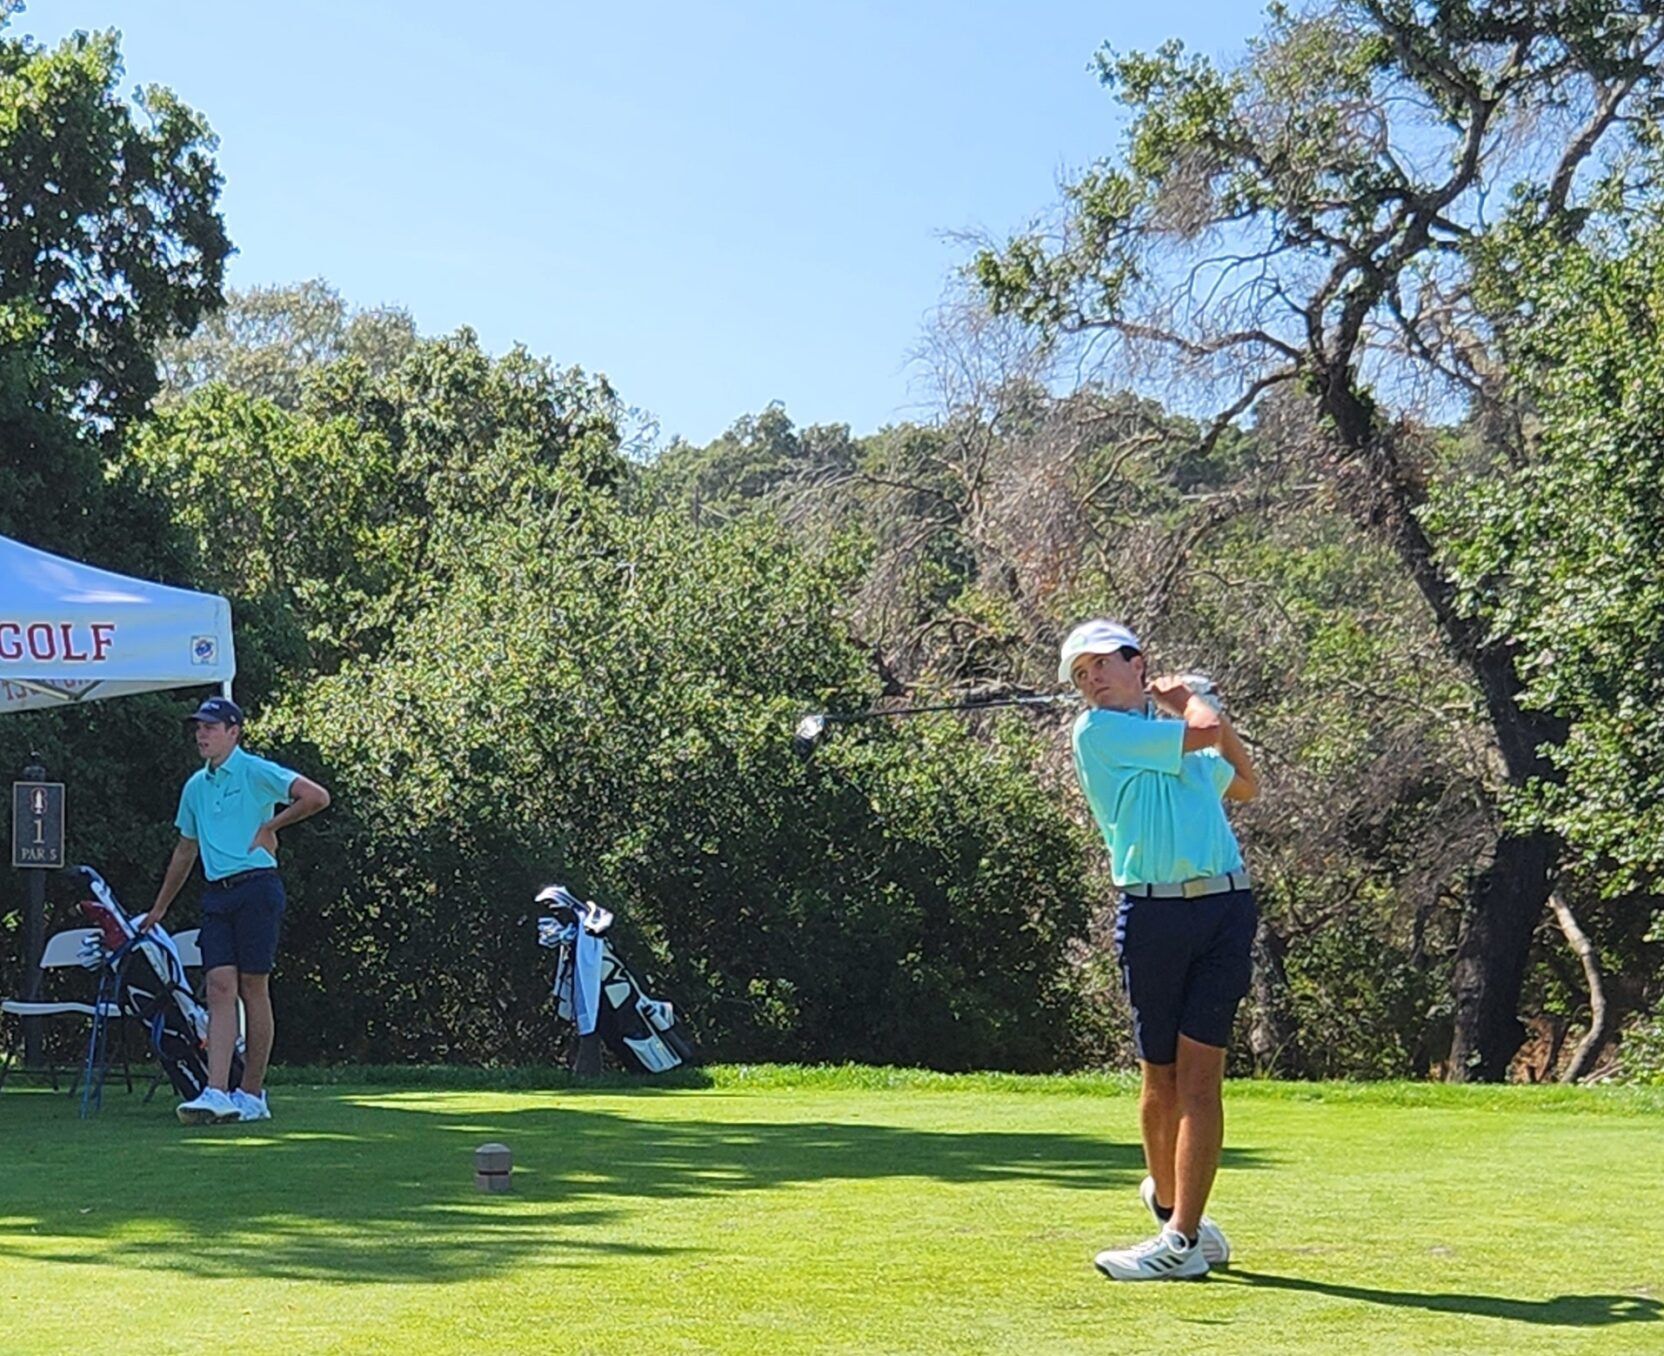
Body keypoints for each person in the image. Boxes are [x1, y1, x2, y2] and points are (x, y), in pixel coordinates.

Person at [1060, 619, 1260, 1282]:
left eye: (1101, 665)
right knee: (1161, 1076)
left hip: (1225, 908)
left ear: (1137, 663)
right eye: (1081, 674)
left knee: (1203, 1077)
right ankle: (1176, 1205)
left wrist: (1207, 711)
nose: (1091, 680)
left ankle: (1180, 1239)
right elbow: (1200, 732)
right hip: (1152, 913)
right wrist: (1194, 704)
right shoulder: (1100, 731)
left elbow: (1244, 781)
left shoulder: (1169, 732)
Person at [140, 696, 331, 1125]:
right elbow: (185, 850)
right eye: (198, 728)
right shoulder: (195, 787)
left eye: (210, 727)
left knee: (252, 987)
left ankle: (252, 1093)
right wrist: (160, 908)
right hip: (217, 894)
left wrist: (270, 826)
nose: (201, 734)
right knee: (219, 987)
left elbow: (316, 796)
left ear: (233, 731)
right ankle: (216, 1091)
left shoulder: (254, 771)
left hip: (257, 888)